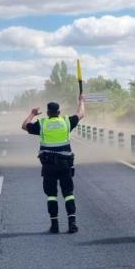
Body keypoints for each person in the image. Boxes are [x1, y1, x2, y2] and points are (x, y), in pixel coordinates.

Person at [21, 95, 86, 233]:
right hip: (65, 164)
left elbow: (24, 126)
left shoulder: (42, 124)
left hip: (49, 165)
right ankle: (72, 223)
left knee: (51, 195)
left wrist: (32, 114)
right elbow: (81, 114)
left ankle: (54, 225)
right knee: (68, 193)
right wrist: (81, 101)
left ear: (48, 112)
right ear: (59, 112)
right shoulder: (66, 121)